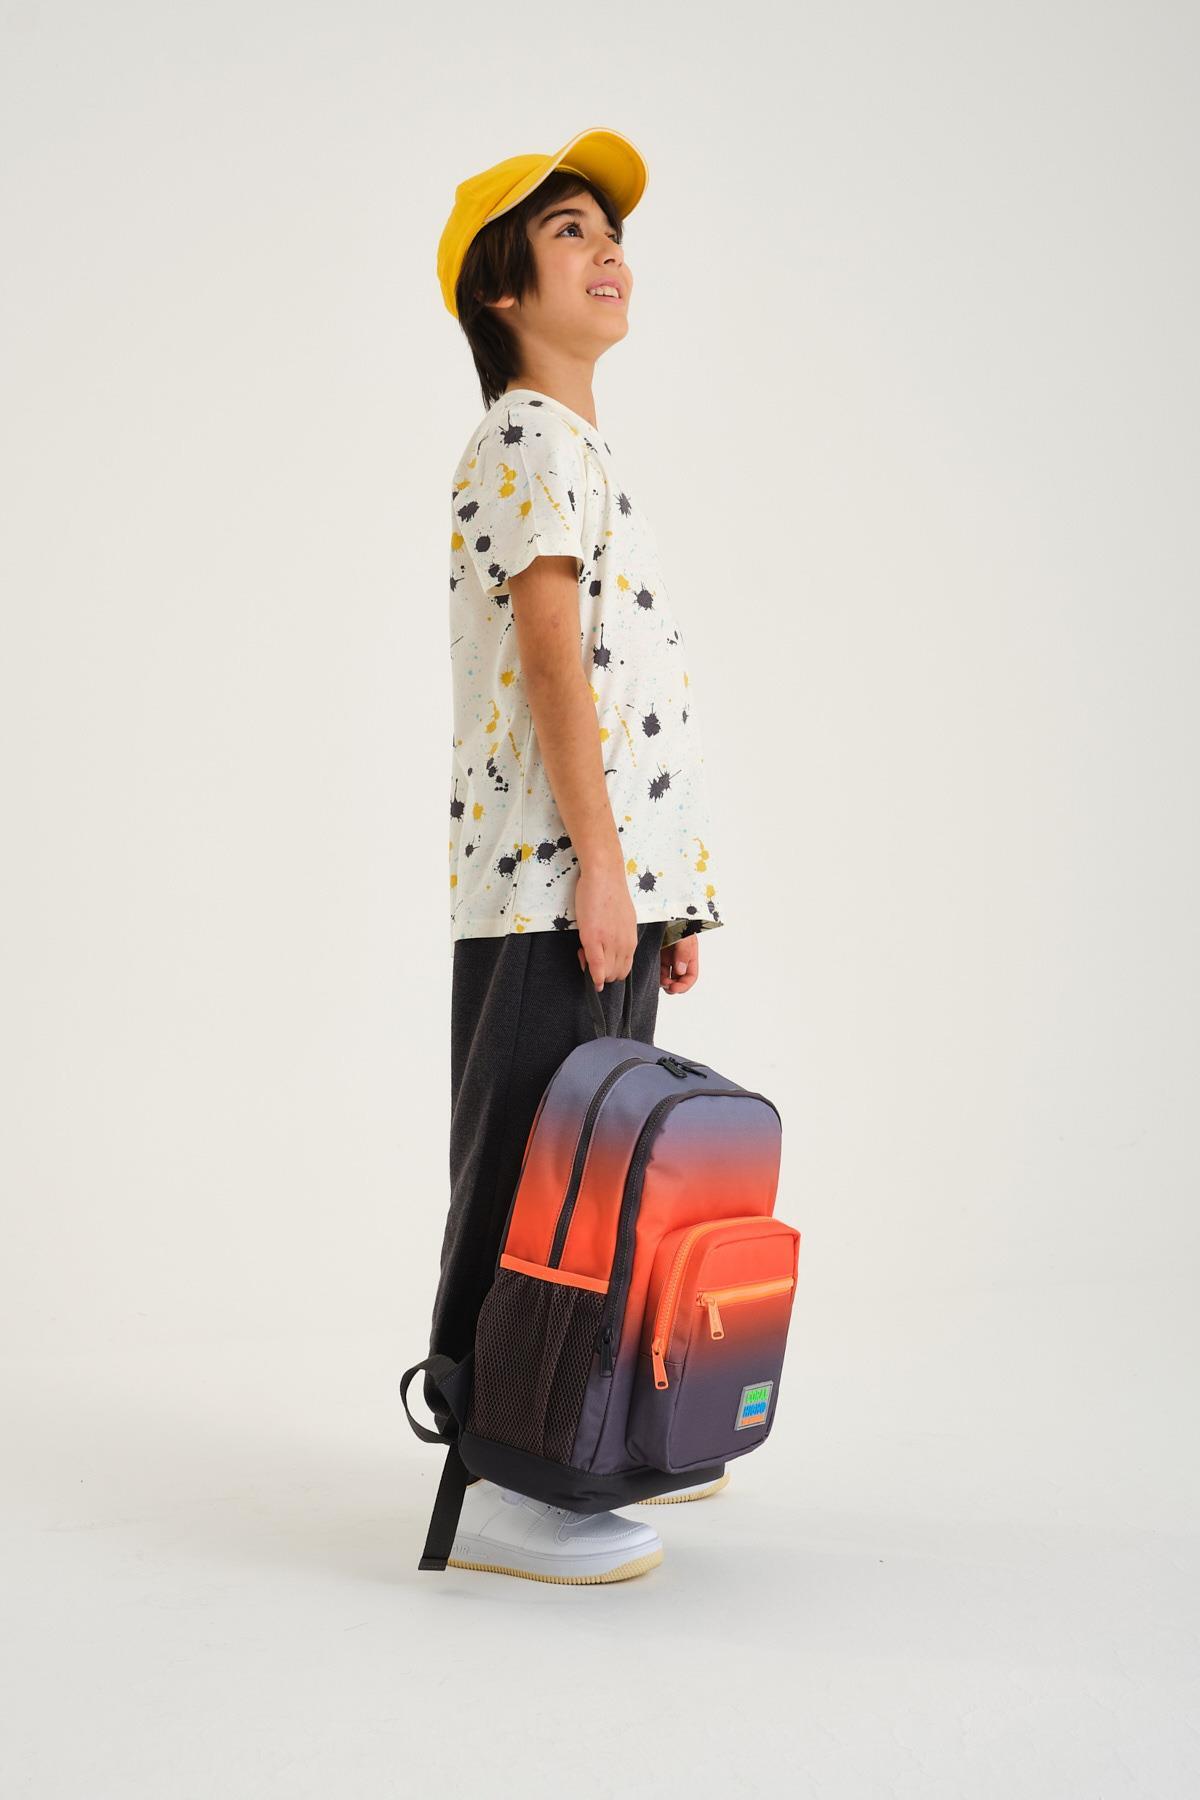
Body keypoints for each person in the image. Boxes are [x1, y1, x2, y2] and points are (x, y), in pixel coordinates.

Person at [422, 127, 728, 1583]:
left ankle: (570, 1444)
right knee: (526, 1177)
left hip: (601, 886)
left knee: (596, 1177)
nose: (608, 250)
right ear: (501, 291)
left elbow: (627, 681)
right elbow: (552, 659)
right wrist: (605, 868)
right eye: (569, 232)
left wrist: (668, 889)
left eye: (613, 232)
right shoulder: (525, 440)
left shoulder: (579, 449)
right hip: (550, 887)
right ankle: (493, 1480)